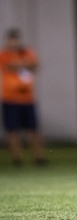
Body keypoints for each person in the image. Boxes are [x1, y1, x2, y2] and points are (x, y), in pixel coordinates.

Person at [0, 28, 46, 166]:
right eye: (11, 40)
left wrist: (20, 64)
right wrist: (23, 63)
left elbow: (35, 65)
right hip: (10, 98)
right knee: (12, 130)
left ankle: (38, 157)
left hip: (28, 98)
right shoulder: (4, 54)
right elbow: (10, 66)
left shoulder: (27, 52)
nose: (14, 43)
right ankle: (17, 158)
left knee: (33, 129)